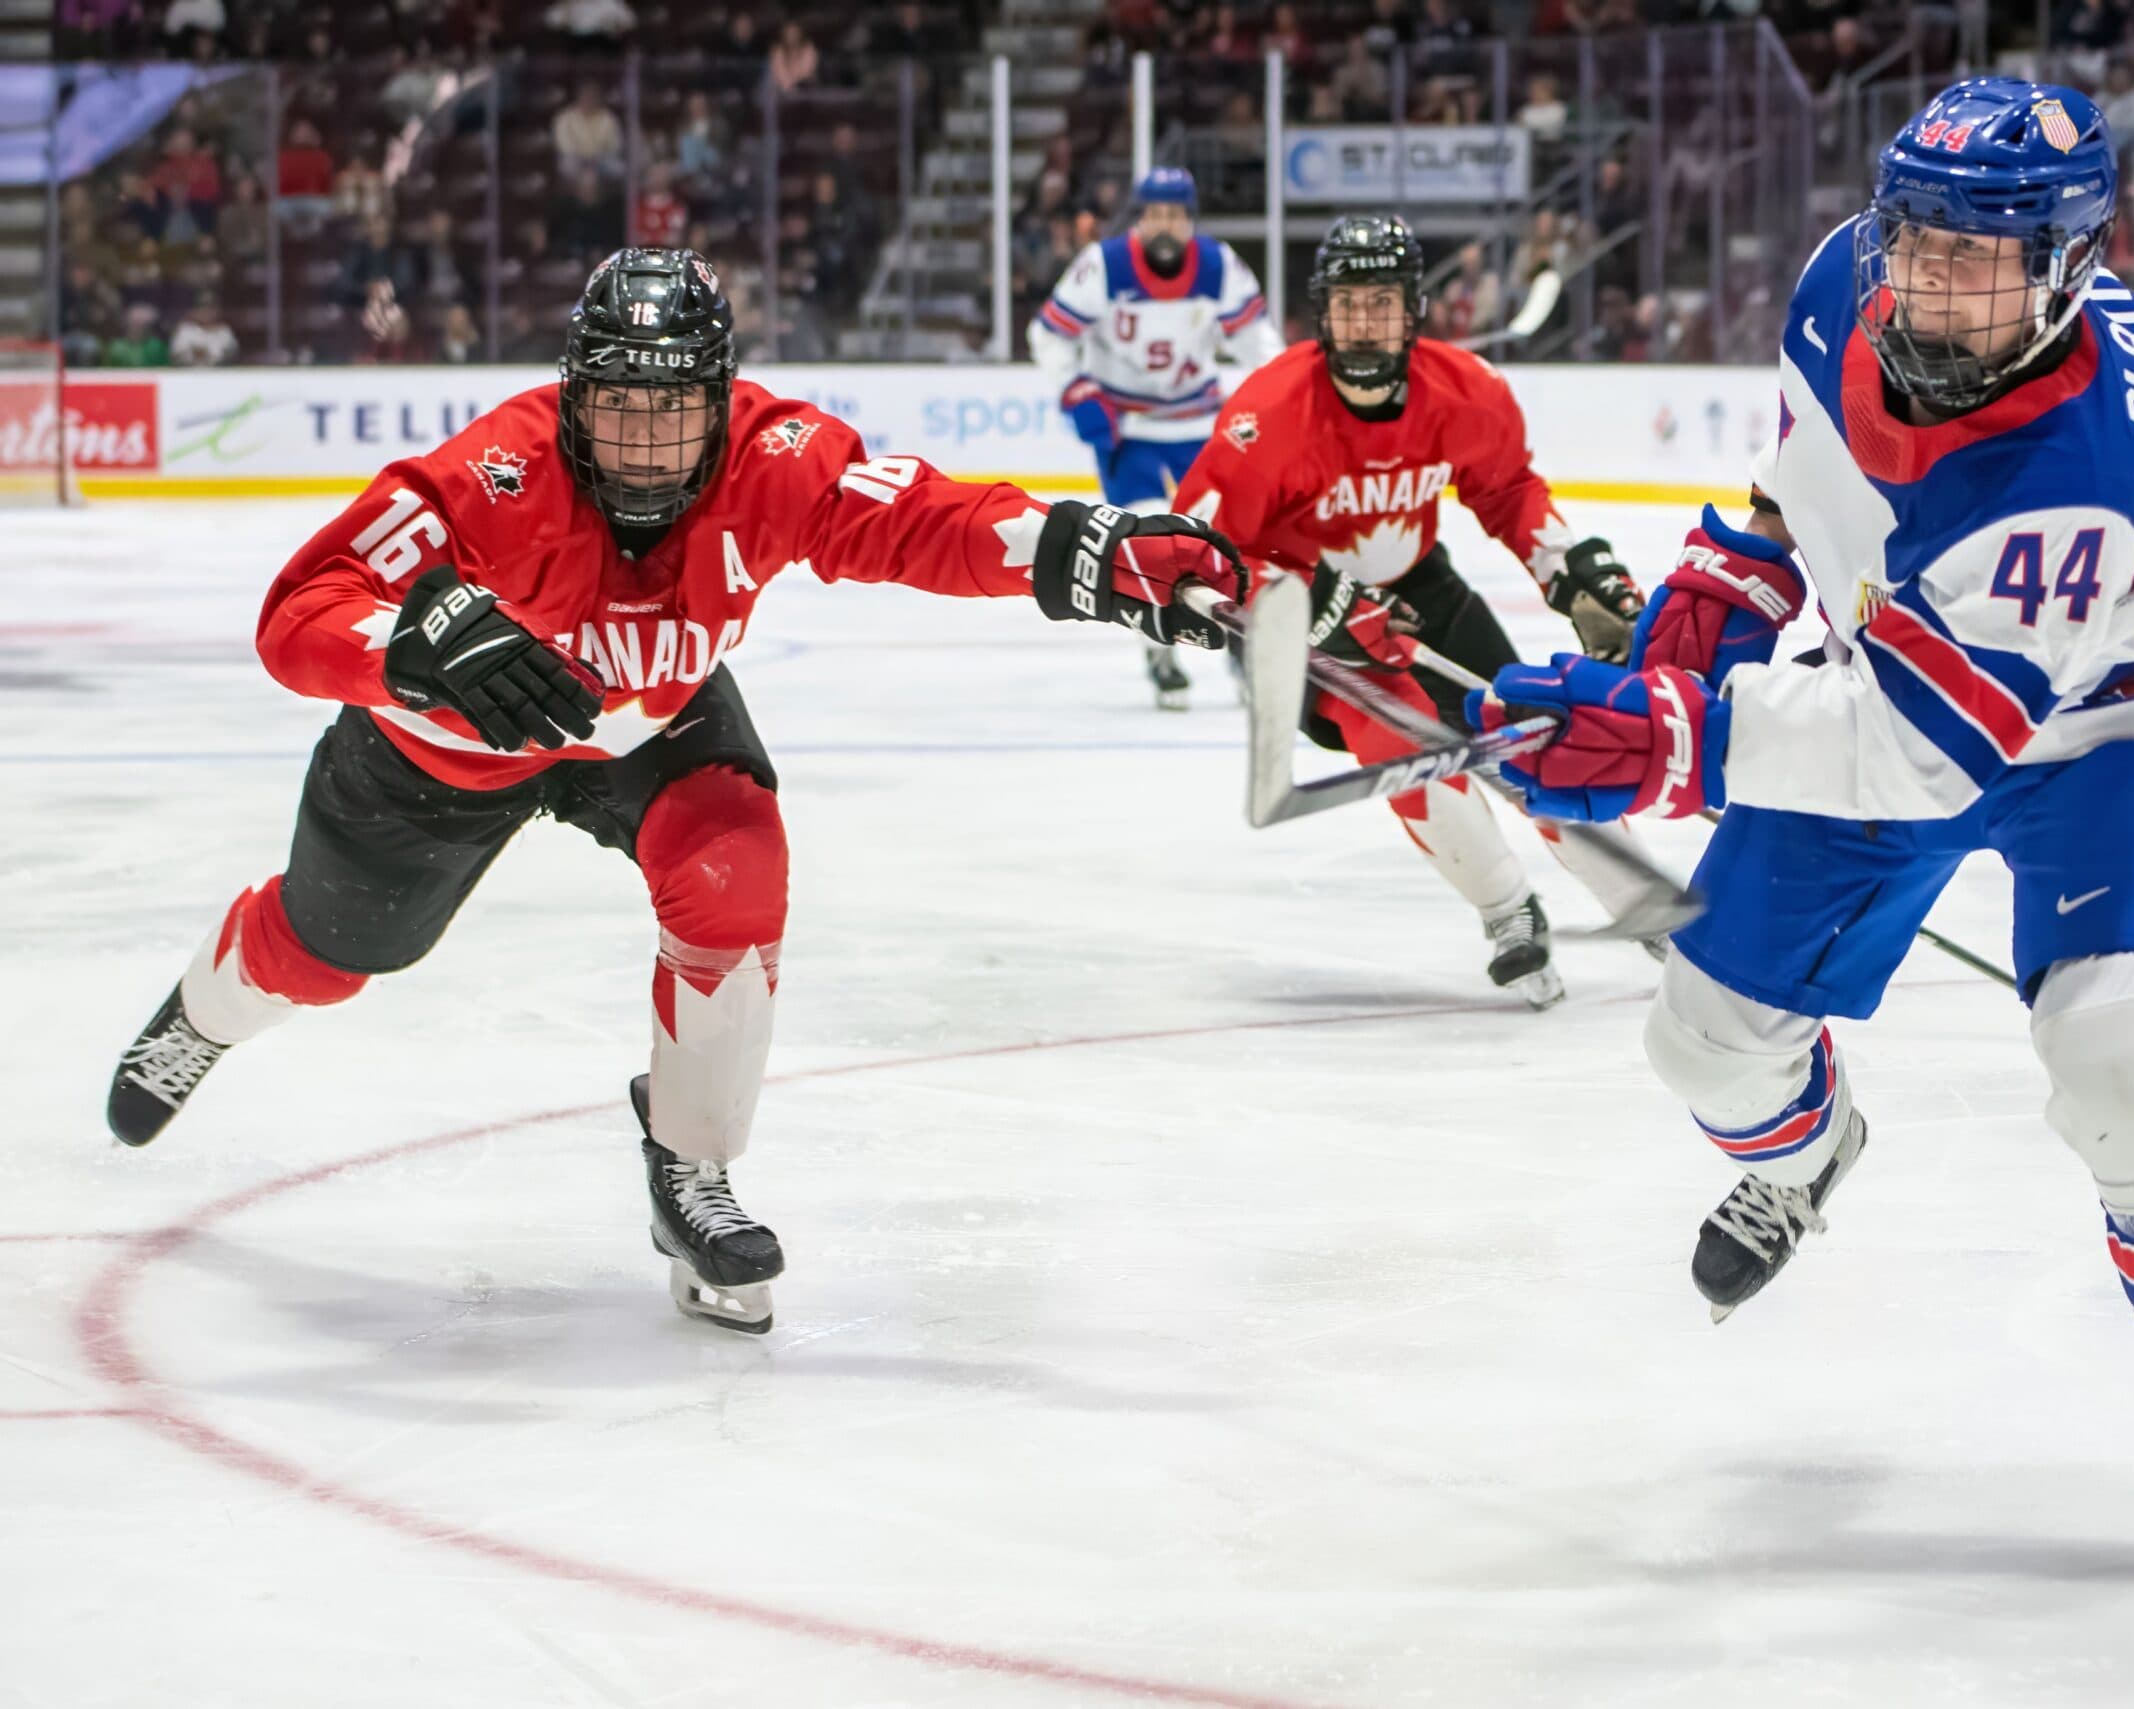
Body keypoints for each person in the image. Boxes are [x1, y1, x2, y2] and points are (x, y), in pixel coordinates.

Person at [1468, 79, 2134, 1569]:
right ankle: (1808, 1150)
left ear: (2068, 265)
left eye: (1978, 256)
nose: (1932, 276)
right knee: (1702, 1034)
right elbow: (1789, 503)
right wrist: (1698, 629)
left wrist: (1668, 736)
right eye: (1917, 237)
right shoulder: (1836, 287)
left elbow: (1929, 756)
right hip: (1911, 683)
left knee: (2124, 1057)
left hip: (2110, 733)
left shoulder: (2083, 459)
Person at [104, 248, 1242, 1336]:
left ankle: (690, 1165)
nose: (645, 442)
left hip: (654, 715)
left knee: (737, 871)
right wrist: (410, 642)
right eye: (617, 405)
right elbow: (298, 606)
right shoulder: (489, 474)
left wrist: (1083, 552)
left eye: (673, 408)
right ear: (568, 398)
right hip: (451, 749)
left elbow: (920, 518)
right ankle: (203, 1012)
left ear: (723, 396)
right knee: (333, 952)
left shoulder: (775, 454)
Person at [1173, 213, 1663, 1007]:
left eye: (1383, 303)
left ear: (1414, 310)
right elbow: (1198, 548)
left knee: (1531, 731)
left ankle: (1644, 899)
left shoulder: (1465, 390)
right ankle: (1509, 911)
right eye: (1348, 303)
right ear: (1321, 312)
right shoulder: (1267, 415)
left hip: (1418, 589)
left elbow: (1507, 491)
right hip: (1304, 624)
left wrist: (1573, 572)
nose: (1364, 323)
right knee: (1403, 748)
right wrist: (1305, 605)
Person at [1028, 166, 1281, 711]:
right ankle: (1161, 648)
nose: (1164, 225)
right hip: (1129, 428)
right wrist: (1076, 391)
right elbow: (1049, 335)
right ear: (1139, 219)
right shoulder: (1104, 266)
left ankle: (1237, 645)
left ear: (1190, 220)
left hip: (1197, 424)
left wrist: (1283, 389)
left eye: (1175, 215)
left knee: (1225, 542)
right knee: (1148, 545)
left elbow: (1255, 341)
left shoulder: (1218, 267)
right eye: (1154, 214)